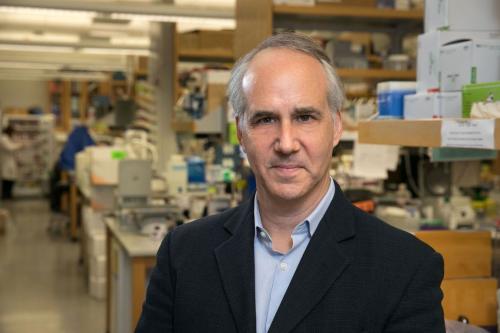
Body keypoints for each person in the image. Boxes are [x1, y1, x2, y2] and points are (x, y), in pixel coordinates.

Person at [136, 33, 445, 333]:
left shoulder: (405, 268)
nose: (286, 143)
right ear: (241, 133)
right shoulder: (183, 254)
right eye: (265, 119)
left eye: (305, 117)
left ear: (336, 126)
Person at [0, 125, 24, 200]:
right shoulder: (3, 138)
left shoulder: (8, 138)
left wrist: (18, 160)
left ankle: (8, 194)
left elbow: (13, 149)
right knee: (7, 179)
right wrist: (20, 145)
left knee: (11, 178)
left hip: (11, 161)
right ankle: (6, 195)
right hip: (6, 161)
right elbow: (10, 148)